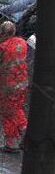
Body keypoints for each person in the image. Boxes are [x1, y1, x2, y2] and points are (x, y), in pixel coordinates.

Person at [0, 21, 28, 153]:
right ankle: (25, 132)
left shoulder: (3, 47)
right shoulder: (22, 43)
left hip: (7, 85)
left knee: (8, 113)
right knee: (17, 108)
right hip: (21, 83)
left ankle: (12, 143)